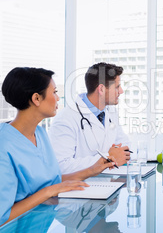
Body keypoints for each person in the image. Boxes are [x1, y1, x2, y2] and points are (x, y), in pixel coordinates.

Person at [0, 67, 116, 226]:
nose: (57, 98)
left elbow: (53, 183)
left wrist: (91, 170)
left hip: (42, 223)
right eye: (54, 92)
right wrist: (48, 191)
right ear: (36, 98)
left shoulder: (40, 134)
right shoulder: (4, 145)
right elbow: (2, 217)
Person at [49, 62, 131, 174]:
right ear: (101, 89)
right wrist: (108, 157)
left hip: (109, 183)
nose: (121, 91)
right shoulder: (65, 119)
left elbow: (124, 145)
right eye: (117, 86)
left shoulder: (110, 112)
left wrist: (117, 154)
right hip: (80, 188)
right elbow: (61, 165)